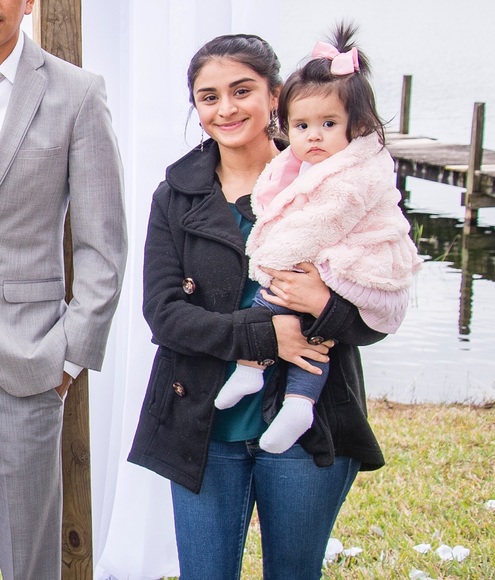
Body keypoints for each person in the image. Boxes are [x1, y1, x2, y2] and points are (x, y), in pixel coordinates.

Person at [128, 29, 386, 580]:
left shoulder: (336, 181)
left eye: (242, 90)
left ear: (275, 96)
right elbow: (164, 314)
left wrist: (324, 303)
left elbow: (381, 306)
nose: (226, 108)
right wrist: (265, 335)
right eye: (209, 97)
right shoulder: (175, 195)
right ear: (196, 107)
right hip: (203, 422)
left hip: (309, 419)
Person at [214, 24, 422, 455]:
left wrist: (279, 265)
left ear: (355, 126)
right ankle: (273, 383)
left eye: (329, 124)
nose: (314, 135)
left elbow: (319, 225)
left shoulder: (352, 173)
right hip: (319, 270)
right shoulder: (302, 166)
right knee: (284, 311)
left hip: (354, 266)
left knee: (290, 313)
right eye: (302, 125)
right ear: (287, 122)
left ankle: (284, 391)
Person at [0, 1, 127, 579]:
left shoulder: (77, 92)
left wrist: (67, 359)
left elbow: (104, 247)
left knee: (26, 558)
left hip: (25, 364)